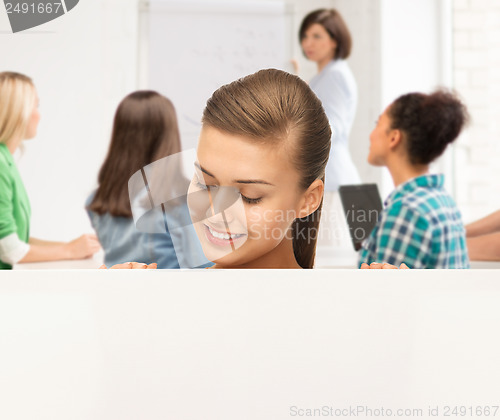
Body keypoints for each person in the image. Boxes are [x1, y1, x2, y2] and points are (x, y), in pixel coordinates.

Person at [359, 89, 470, 269]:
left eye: (377, 123)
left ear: (394, 138)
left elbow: (382, 293)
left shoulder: (405, 211)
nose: (371, 134)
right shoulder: (443, 201)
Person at [0, 71, 100, 269]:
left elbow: (17, 238)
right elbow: (10, 249)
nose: (39, 114)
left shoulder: (6, 160)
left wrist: (72, 247)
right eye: (35, 105)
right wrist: (70, 251)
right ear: (17, 111)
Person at [87, 90, 190, 269]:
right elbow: (205, 270)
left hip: (115, 291)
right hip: (168, 293)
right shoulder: (182, 198)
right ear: (169, 136)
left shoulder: (97, 200)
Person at [298, 9, 361, 251]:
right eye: (305, 36)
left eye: (317, 36)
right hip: (338, 179)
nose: (308, 43)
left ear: (335, 40)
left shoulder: (335, 75)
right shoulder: (327, 74)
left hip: (334, 181)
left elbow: (329, 129)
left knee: (330, 260)